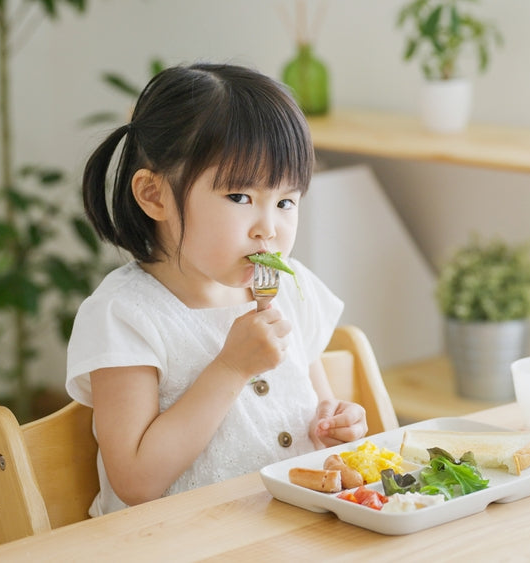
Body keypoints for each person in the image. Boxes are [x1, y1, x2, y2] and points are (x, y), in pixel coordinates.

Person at [66, 62, 368, 517]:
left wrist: (334, 426)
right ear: (154, 196)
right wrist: (230, 367)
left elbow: (316, 409)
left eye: (286, 201)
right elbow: (134, 480)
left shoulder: (291, 288)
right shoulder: (125, 314)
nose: (268, 228)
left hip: (288, 535)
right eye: (240, 198)